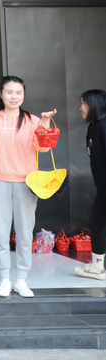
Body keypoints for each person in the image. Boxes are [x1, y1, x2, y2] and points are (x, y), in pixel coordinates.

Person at [0, 75, 56, 298]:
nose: (14, 97)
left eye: (18, 92)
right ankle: (4, 279)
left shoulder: (33, 120)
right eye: (9, 92)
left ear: (23, 95)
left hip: (26, 182)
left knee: (25, 231)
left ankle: (21, 279)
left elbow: (43, 148)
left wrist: (45, 123)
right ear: (1, 94)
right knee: (0, 232)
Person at [75, 89, 106, 280]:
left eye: (83, 103)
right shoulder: (93, 127)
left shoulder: (103, 127)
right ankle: (97, 267)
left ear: (94, 105)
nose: (80, 108)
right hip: (102, 189)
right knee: (96, 224)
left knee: (97, 224)